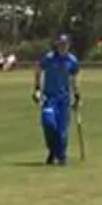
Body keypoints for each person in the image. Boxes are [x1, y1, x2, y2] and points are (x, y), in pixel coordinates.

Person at [32, 33, 81, 167]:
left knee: (62, 130)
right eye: (60, 44)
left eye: (65, 45)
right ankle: (53, 150)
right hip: (49, 98)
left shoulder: (72, 61)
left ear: (68, 45)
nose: (62, 47)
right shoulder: (48, 58)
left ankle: (61, 156)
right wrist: (36, 89)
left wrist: (76, 95)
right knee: (48, 123)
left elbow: (74, 79)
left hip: (63, 100)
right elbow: (38, 70)